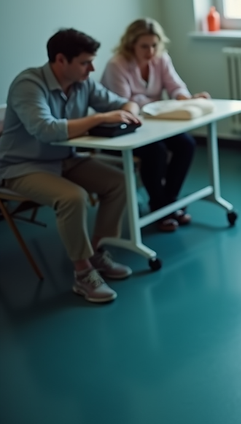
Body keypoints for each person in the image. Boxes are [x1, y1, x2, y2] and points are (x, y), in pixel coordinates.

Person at [0, 28, 141, 303]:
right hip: (21, 167)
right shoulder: (28, 84)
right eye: (85, 62)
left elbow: (123, 103)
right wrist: (99, 119)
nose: (92, 68)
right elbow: (46, 130)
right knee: (72, 198)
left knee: (120, 181)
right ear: (61, 60)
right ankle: (82, 274)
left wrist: (129, 113)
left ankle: (95, 252)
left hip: (63, 159)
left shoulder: (83, 83)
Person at [101, 18, 208, 232]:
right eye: (144, 46)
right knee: (155, 152)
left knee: (186, 144)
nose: (150, 51)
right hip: (124, 126)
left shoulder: (161, 59)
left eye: (154, 45)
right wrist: (156, 103)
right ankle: (161, 208)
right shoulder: (117, 65)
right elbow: (124, 103)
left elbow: (175, 86)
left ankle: (169, 202)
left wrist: (189, 99)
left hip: (154, 122)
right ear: (131, 44)